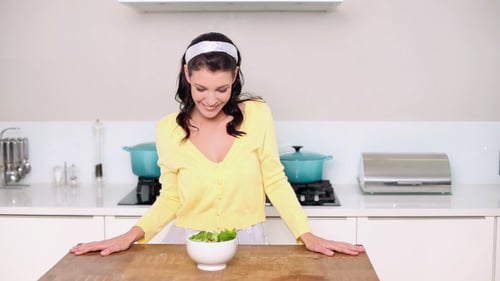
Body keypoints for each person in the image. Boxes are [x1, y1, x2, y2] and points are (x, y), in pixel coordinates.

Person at [71, 32, 365, 257]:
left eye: (221, 89)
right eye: (200, 88)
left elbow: (274, 181)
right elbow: (170, 198)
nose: (211, 100)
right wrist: (130, 235)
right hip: (188, 245)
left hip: (247, 244)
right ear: (187, 75)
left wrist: (306, 235)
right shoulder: (168, 130)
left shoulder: (257, 114)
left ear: (235, 76)